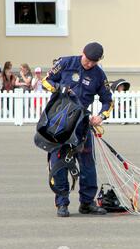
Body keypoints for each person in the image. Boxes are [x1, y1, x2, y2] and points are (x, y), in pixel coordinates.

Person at [41, 42, 114, 217]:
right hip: (60, 122)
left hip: (82, 124)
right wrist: (59, 88)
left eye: (93, 62)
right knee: (59, 163)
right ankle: (62, 203)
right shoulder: (65, 63)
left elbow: (108, 101)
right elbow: (46, 81)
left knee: (88, 164)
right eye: (88, 60)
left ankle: (87, 203)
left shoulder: (98, 74)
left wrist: (101, 116)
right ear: (83, 53)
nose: (89, 64)